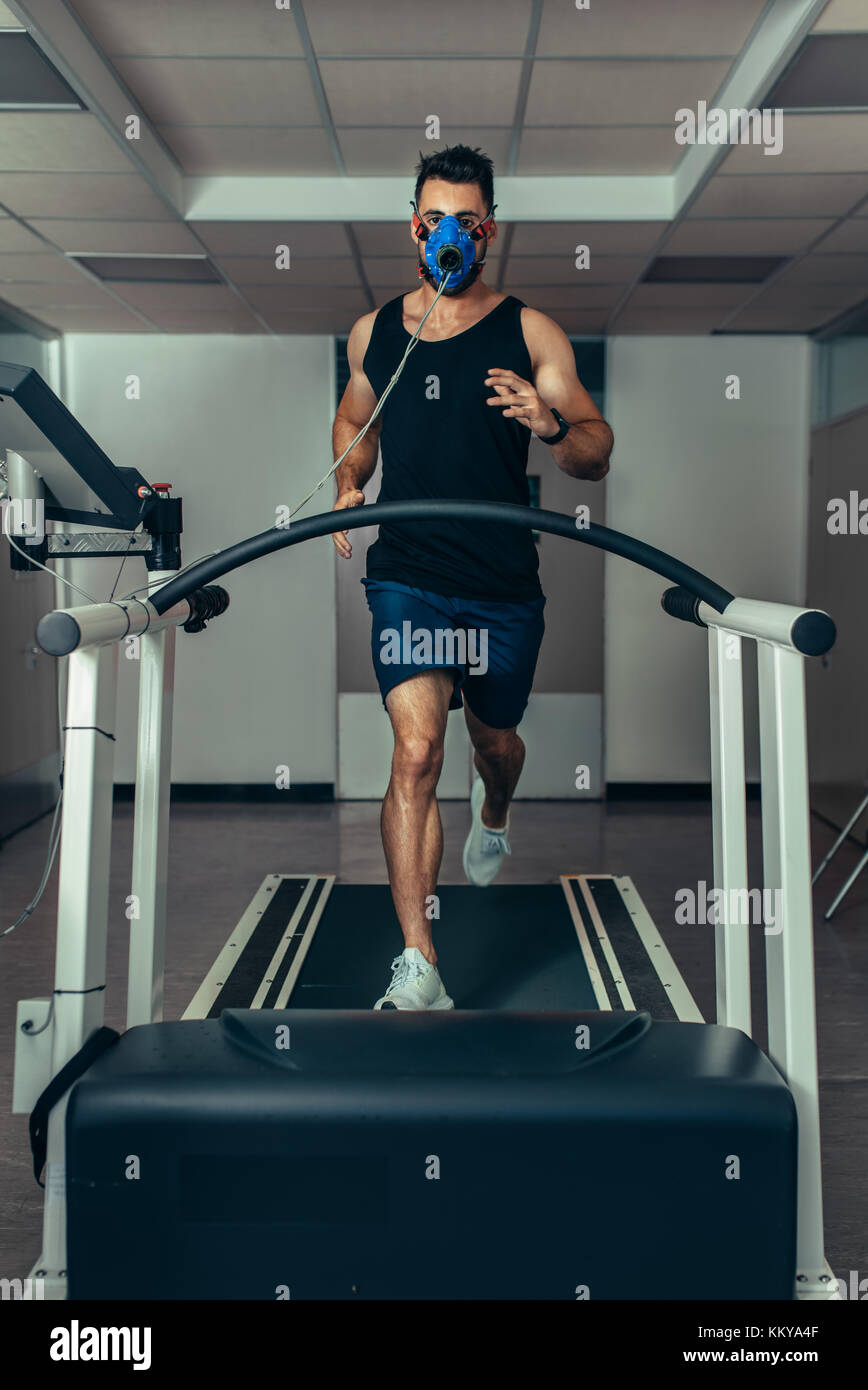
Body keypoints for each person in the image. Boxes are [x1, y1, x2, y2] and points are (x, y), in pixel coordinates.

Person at [331, 144, 613, 1010]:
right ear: (412, 228)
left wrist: (552, 421)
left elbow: (596, 454)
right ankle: (419, 962)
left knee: (493, 746)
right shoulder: (375, 332)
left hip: (500, 586)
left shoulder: (531, 332)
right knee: (416, 752)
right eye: (433, 220)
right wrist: (348, 478)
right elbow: (355, 421)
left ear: (487, 232)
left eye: (467, 221)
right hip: (409, 574)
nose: (448, 235)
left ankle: (495, 812)